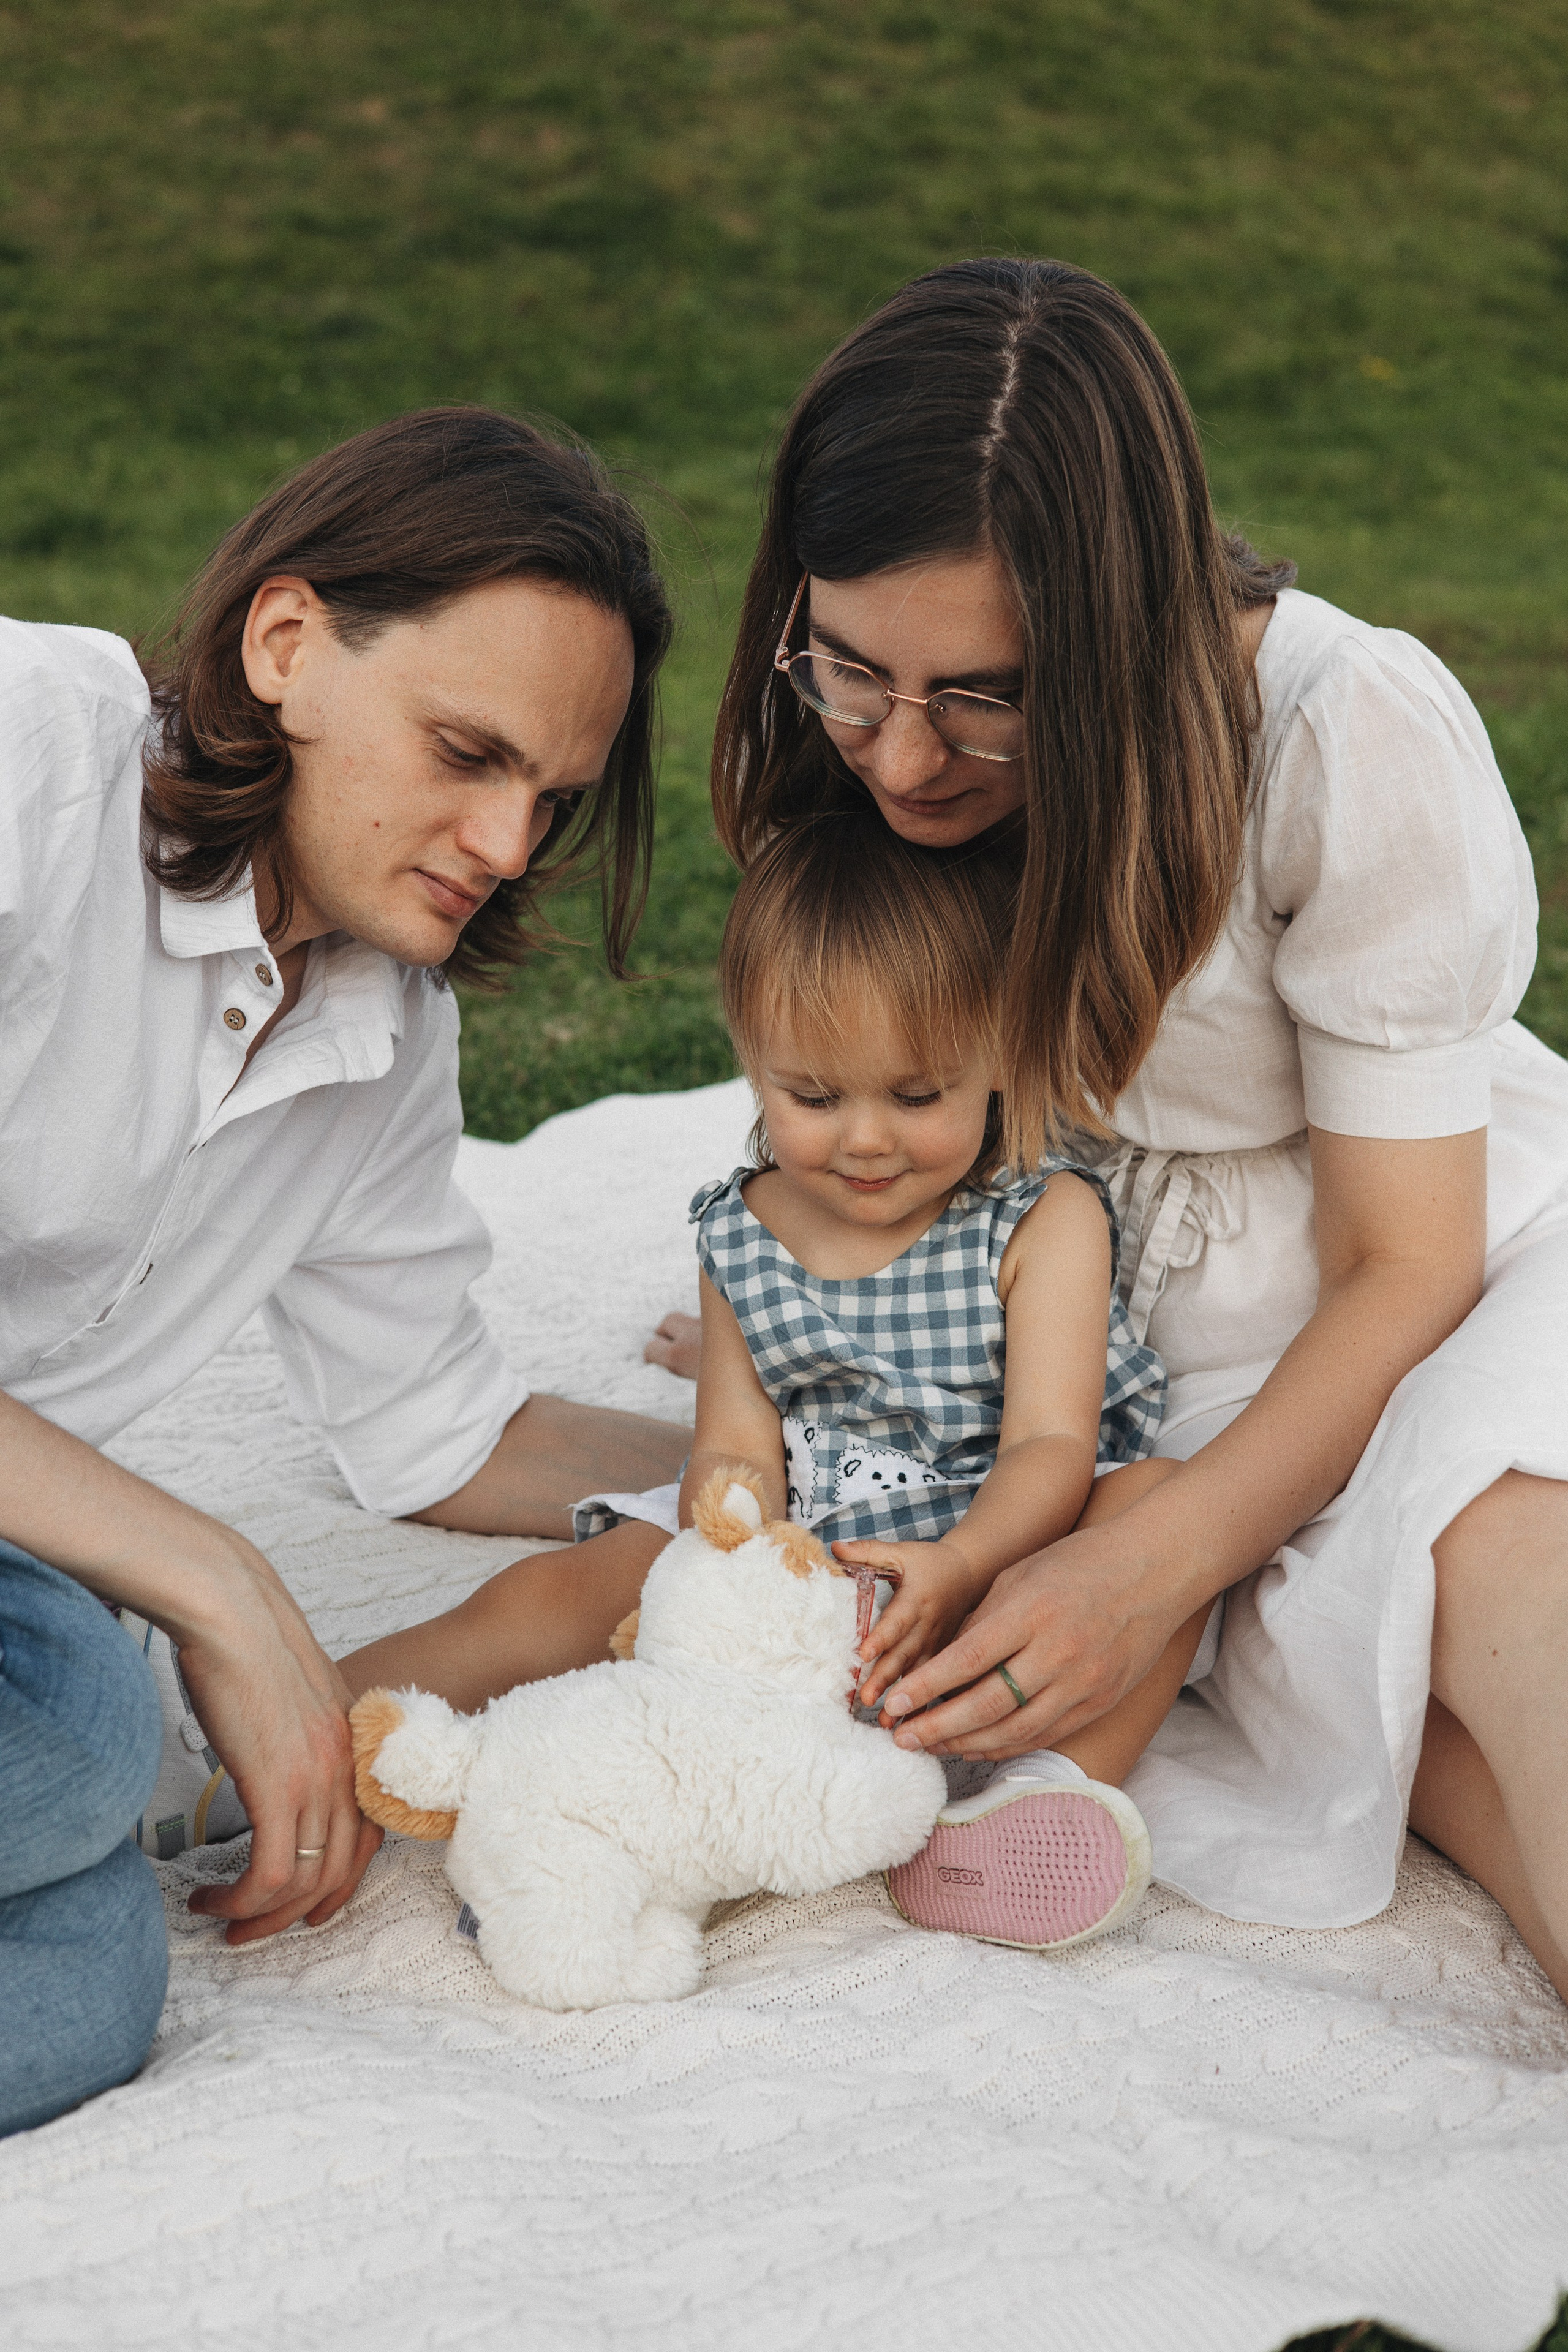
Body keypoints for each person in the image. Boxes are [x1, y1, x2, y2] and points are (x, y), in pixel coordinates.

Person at [652, 257, 1568, 1995]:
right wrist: (841, 1295)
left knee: (1509, 1615)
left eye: (988, 696)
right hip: (1137, 1356)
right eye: (850, 673)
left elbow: (1408, 1260)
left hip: (1437, 1291)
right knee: (1393, 1748)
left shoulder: (1339, 734)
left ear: (1124, 635)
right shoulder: (871, 738)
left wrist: (1151, 1563)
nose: (904, 762)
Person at [0, 407, 692, 2135]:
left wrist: (782, 1469)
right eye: (466, 750)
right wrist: (212, 1580)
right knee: (90, 1731)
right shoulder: (30, 755)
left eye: (553, 796)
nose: (509, 843)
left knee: (93, 1982)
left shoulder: (383, 1041)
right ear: (289, 644)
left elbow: (441, 1435)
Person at [341, 809, 1198, 1950]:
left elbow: (1052, 1441)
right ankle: (300, 1719)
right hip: (809, 1541)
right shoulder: (743, 1233)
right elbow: (737, 1443)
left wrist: (964, 1563)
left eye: (916, 1094)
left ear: (1002, 1053)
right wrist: (740, 1541)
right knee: (579, 1584)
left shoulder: (1044, 1219)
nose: (864, 1140)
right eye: (812, 1096)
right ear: (752, 1061)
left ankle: (1030, 1798)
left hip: (999, 1541)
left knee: (1157, 1521)